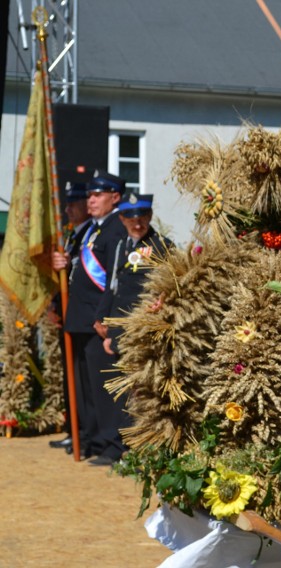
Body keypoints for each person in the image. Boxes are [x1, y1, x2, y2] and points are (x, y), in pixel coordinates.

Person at [91, 192, 173, 465]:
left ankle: (138, 448)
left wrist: (162, 303)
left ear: (149, 217)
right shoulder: (121, 245)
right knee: (117, 389)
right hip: (118, 327)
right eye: (130, 218)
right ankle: (116, 445)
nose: (137, 223)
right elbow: (113, 285)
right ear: (122, 218)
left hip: (142, 329)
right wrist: (102, 318)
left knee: (140, 390)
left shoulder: (162, 245)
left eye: (142, 218)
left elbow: (170, 287)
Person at [52, 171, 127, 462]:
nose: (90, 200)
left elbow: (113, 281)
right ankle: (95, 439)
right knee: (87, 388)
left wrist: (104, 318)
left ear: (115, 197)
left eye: (97, 195)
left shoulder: (116, 229)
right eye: (90, 196)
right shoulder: (96, 229)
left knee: (104, 387)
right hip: (82, 317)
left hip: (98, 321)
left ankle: (111, 444)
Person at [49, 182, 93, 452]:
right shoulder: (73, 235)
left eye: (73, 204)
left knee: (84, 383)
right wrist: (56, 306)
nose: (67, 209)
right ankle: (74, 430)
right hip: (70, 315)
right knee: (71, 379)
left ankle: (84, 434)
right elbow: (66, 278)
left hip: (84, 316)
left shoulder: (90, 234)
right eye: (66, 204)